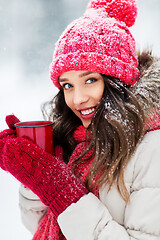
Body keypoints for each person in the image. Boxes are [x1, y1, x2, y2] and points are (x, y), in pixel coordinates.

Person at [0, 0, 160, 239]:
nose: (78, 98)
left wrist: (58, 187)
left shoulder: (150, 147)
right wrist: (35, 172)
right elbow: (40, 226)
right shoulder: (76, 137)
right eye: (67, 85)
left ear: (118, 80)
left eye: (90, 80)